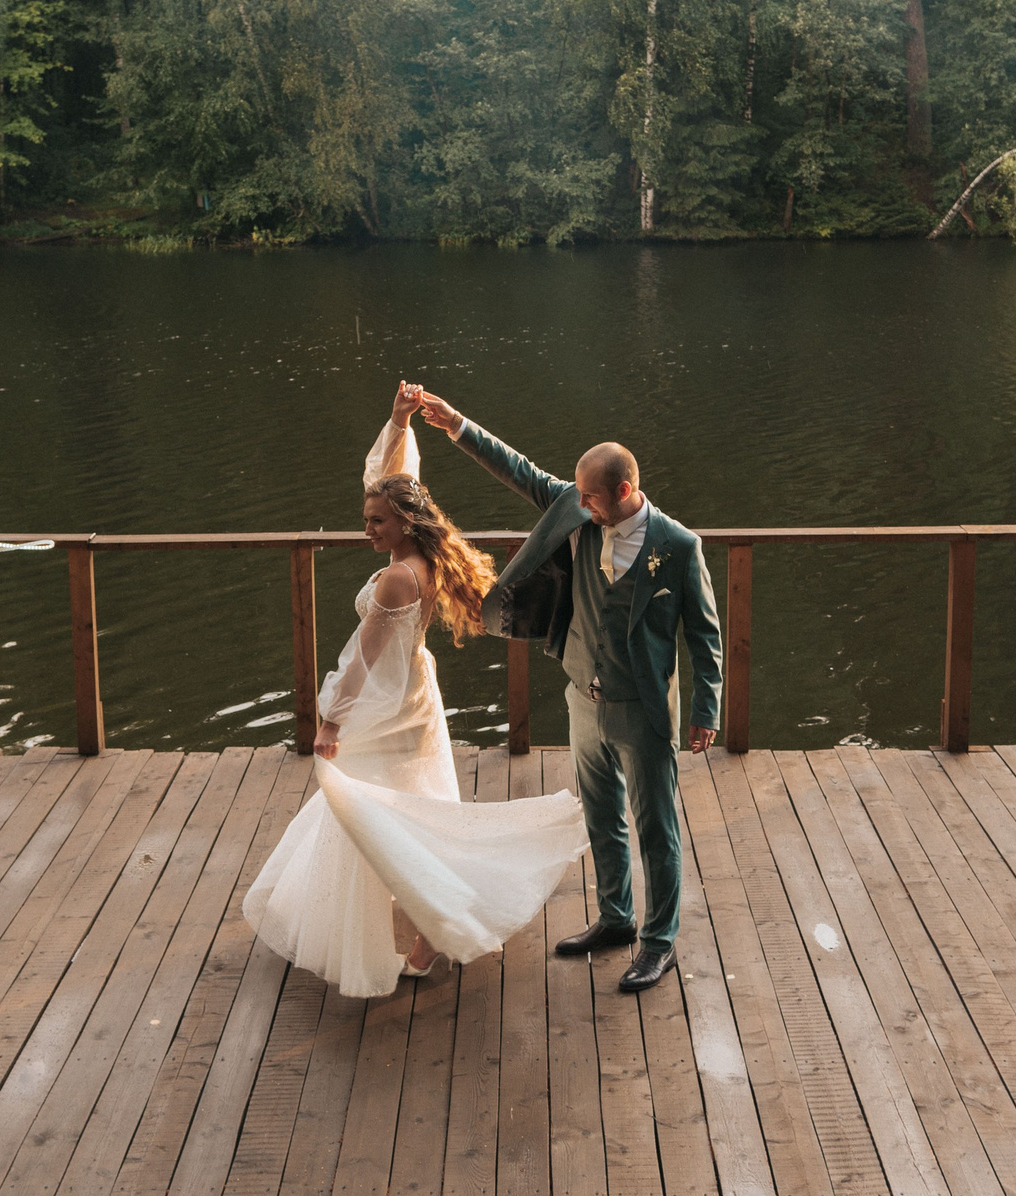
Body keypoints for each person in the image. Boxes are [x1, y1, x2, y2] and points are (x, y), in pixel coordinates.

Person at [241, 384, 589, 998]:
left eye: (377, 521)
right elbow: (392, 477)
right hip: (412, 698)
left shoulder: (397, 580)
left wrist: (330, 722)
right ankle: (427, 920)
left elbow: (361, 658)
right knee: (404, 810)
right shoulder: (425, 560)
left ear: (404, 522)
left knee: (372, 812)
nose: (367, 528)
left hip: (387, 705)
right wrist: (400, 422)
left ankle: (430, 932)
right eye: (366, 519)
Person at [409, 389, 721, 993]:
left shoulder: (679, 548)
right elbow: (519, 470)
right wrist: (456, 426)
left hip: (645, 709)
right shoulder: (576, 511)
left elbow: (706, 637)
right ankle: (615, 918)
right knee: (602, 816)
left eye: (590, 497)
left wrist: (706, 710)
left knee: (656, 829)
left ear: (624, 492)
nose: (579, 505)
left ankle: (659, 943)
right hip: (584, 697)